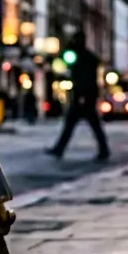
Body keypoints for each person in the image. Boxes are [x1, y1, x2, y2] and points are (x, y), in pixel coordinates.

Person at [47, 33, 110, 161]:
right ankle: (103, 149)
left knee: (78, 123)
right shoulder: (85, 56)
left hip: (84, 95)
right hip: (86, 95)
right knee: (87, 124)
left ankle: (60, 149)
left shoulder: (83, 58)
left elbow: (84, 78)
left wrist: (82, 95)